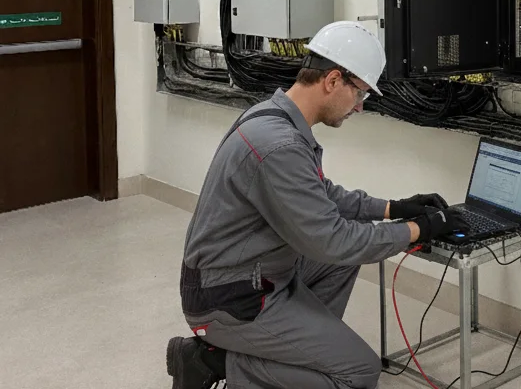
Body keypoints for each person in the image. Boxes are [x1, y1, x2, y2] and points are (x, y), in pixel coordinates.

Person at [166, 21, 467, 389]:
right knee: (358, 372)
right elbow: (334, 240)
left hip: (245, 271)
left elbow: (320, 194)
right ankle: (214, 361)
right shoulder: (280, 146)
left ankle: (294, 354)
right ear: (333, 80)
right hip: (229, 297)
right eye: (360, 94)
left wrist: (394, 208)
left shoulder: (275, 117)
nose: (358, 107)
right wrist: (421, 228)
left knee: (341, 264)